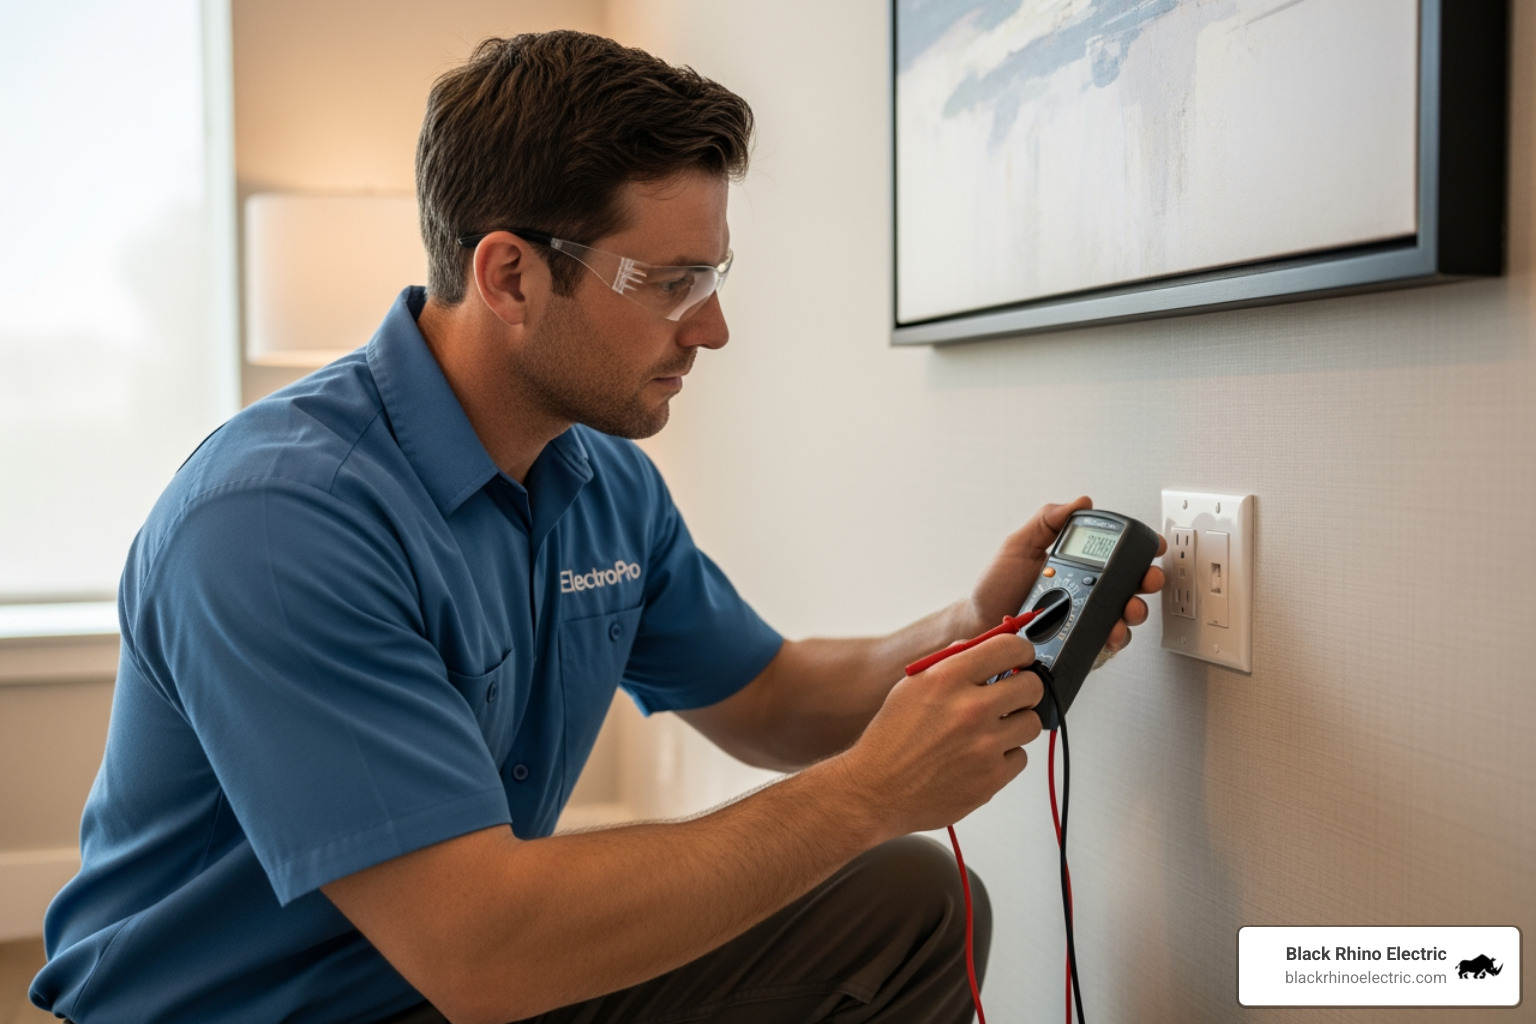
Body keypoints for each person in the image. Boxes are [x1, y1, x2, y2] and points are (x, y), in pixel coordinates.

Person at [32, 30, 1163, 1024]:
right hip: (289, 1005)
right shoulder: (278, 523)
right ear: (511, 276)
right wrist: (866, 793)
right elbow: (481, 950)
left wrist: (975, 624)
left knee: (909, 903)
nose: (712, 329)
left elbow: (772, 701)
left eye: (712, 277)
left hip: (451, 983)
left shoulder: (602, 481)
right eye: (672, 283)